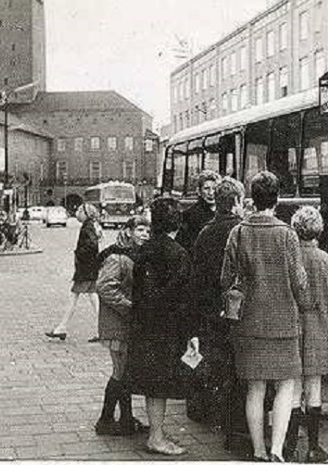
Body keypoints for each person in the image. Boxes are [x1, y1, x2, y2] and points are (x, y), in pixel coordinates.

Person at [221, 171, 311, 462]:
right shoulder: (287, 233)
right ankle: (276, 450)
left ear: (251, 197)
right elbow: (299, 281)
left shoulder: (239, 231)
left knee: (255, 387)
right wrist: (305, 302)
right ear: (277, 198)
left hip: (248, 322)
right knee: (286, 385)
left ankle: (258, 450)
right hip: (283, 322)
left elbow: (226, 279)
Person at [125, 197, 198, 456]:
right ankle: (156, 437)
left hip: (144, 325)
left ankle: (156, 432)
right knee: (160, 385)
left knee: (153, 385)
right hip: (166, 329)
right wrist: (191, 334)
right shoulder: (178, 253)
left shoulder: (144, 250)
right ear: (177, 221)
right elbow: (184, 297)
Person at [285, 205, 328, 463]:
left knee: (293, 390)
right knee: (315, 388)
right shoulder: (327, 260)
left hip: (294, 327)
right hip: (319, 328)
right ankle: (313, 447)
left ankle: (288, 446)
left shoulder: (289, 257)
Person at [187, 176, 246, 426]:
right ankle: (232, 415)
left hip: (210, 307)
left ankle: (210, 409)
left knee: (214, 359)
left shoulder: (205, 232)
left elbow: (197, 274)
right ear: (235, 202)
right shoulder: (242, 230)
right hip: (236, 307)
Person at [94, 215, 151, 436]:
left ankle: (125, 419)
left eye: (147, 231)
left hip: (123, 323)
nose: (145, 234)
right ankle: (105, 420)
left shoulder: (134, 254)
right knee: (120, 372)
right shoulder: (117, 256)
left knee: (123, 372)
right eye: (140, 230)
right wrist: (131, 307)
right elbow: (105, 287)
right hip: (117, 323)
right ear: (128, 231)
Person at [46, 203, 102, 342]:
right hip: (89, 269)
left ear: (86, 213)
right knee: (92, 298)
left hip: (85, 269)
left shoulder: (87, 227)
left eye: (79, 210)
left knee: (75, 297)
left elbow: (92, 245)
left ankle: (62, 328)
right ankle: (104, 329)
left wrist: (79, 254)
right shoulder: (91, 225)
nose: (77, 213)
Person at [176, 169, 220, 249]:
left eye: (214, 189)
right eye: (206, 188)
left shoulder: (222, 213)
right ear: (199, 191)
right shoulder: (189, 215)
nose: (211, 193)